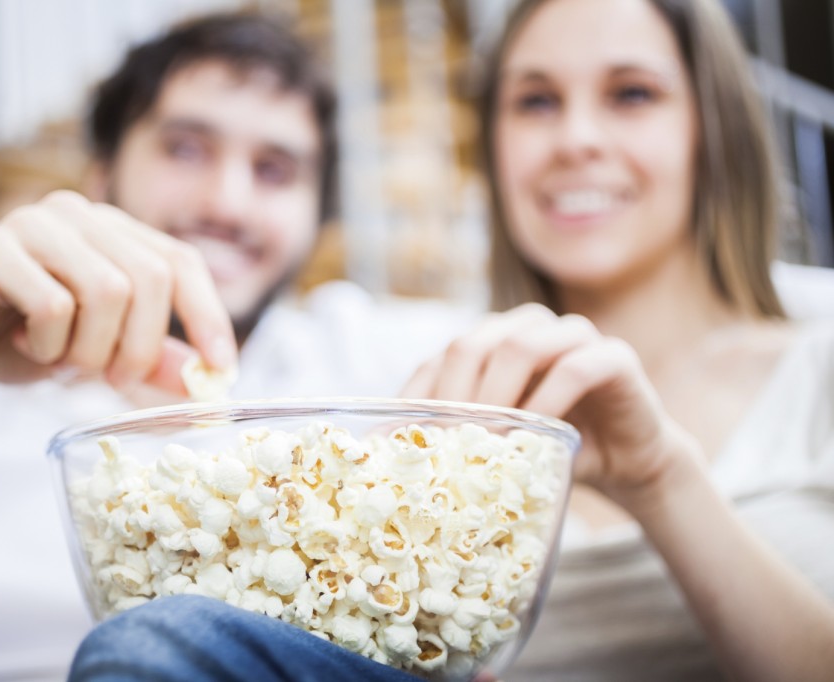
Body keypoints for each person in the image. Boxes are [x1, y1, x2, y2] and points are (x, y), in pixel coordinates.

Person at [67, 1, 834, 681]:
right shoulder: (419, 359)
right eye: (534, 101)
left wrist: (663, 481)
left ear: (716, 124)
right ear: (492, 144)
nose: (575, 138)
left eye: (631, 94)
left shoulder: (819, 350)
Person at [0, 12, 475, 680]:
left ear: (316, 219)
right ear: (100, 178)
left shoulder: (376, 357)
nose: (228, 202)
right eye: (185, 149)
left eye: (275, 170)